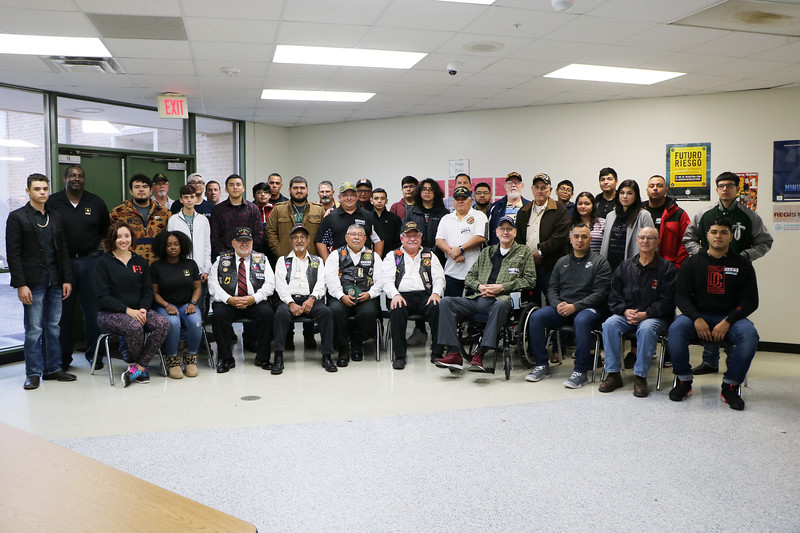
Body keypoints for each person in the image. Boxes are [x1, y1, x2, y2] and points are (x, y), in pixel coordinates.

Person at [682, 171, 773, 375]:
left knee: (730, 312)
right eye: (721, 185)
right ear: (716, 189)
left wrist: (744, 257)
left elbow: (765, 241)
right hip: (706, 271)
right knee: (709, 307)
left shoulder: (749, 216)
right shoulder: (704, 214)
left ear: (738, 189)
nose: (725, 189)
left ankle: (733, 363)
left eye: (730, 185)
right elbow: (688, 238)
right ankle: (709, 361)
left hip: (735, 272)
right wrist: (703, 257)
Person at [668, 217, 759, 410]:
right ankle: (683, 381)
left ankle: (731, 386)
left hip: (731, 319)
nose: (718, 236)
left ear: (731, 236)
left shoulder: (743, 264)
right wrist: (696, 318)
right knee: (676, 329)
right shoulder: (691, 263)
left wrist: (728, 320)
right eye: (714, 232)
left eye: (724, 232)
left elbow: (751, 301)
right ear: (706, 235)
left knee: (749, 335)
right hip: (697, 317)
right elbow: (681, 297)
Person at [434, 216, 536, 371]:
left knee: (501, 304)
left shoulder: (524, 252)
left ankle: (480, 354)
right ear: (496, 232)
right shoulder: (487, 252)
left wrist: (502, 287)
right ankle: (454, 353)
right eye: (502, 229)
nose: (505, 232)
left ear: (515, 232)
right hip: (478, 298)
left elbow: (530, 280)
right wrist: (480, 286)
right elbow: (470, 277)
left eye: (509, 229)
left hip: (502, 300)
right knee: (446, 302)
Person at [7, 173, 74, 390]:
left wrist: (66, 279)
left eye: (45, 188)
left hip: (55, 280)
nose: (42, 192)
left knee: (53, 327)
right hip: (32, 282)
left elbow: (63, 250)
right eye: (37, 189)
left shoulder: (55, 216)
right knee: (34, 329)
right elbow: (13, 254)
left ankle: (53, 368)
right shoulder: (17, 217)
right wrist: (20, 284)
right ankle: (33, 372)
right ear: (28, 191)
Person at [525, 223, 611, 388]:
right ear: (570, 240)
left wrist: (575, 306)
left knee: (582, 320)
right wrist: (557, 305)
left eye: (584, 237)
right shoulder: (561, 262)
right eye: (576, 236)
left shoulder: (600, 262)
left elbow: (600, 294)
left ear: (590, 239)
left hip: (588, 310)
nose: (580, 240)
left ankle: (580, 371)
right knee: (536, 317)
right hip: (563, 308)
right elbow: (552, 288)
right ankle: (541, 365)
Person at [599, 226, 676, 397]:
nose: (645, 241)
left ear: (657, 242)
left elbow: (668, 301)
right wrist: (625, 311)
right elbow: (613, 295)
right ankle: (613, 374)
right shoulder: (625, 266)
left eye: (650, 238)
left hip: (654, 317)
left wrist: (646, 314)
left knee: (646, 328)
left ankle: (640, 376)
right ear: (637, 241)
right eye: (642, 238)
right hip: (627, 314)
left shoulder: (667, 268)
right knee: (609, 324)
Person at [46, 165, 110, 371]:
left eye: (81, 176)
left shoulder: (96, 202)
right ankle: (63, 359)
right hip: (62, 264)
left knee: (93, 313)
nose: (77, 179)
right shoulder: (53, 202)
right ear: (65, 178)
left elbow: (104, 234)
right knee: (62, 314)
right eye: (73, 175)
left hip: (91, 262)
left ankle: (95, 355)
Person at [95, 221, 169, 388]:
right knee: (135, 327)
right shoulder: (103, 262)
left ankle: (138, 368)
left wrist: (143, 308)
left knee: (162, 323)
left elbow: (147, 291)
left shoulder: (140, 261)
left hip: (138, 310)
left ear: (132, 239)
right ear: (112, 239)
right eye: (119, 236)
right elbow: (102, 296)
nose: (123, 240)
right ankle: (140, 369)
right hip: (109, 314)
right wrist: (128, 310)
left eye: (127, 236)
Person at [265, 176, 325, 348]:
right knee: (288, 295)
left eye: (302, 188)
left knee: (308, 291)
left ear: (307, 190)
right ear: (290, 190)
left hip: (311, 261)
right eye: (295, 188)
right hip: (286, 260)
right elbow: (270, 232)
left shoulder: (318, 210)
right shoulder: (279, 209)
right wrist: (279, 250)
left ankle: (309, 335)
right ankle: (288, 337)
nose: (299, 191)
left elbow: (322, 235)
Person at [208, 227, 275, 373]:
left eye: (247, 241)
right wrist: (229, 299)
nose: (244, 244)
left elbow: (270, 284)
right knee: (218, 315)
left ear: (252, 243)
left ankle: (263, 358)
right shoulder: (221, 259)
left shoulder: (262, 258)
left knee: (267, 314)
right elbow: (212, 284)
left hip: (254, 301)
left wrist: (254, 298)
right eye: (240, 241)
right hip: (230, 301)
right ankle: (227, 359)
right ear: (233, 243)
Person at [273, 225, 335, 373]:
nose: (299, 241)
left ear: (308, 241)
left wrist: (312, 299)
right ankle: (278, 356)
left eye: (302, 237)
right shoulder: (283, 261)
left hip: (311, 299)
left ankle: (327, 356)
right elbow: (280, 285)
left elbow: (321, 283)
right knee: (280, 314)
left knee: (326, 313)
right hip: (289, 300)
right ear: (291, 241)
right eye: (295, 237)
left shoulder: (317, 260)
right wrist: (291, 302)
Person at [383, 221, 445, 370]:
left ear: (420, 237)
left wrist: (436, 293)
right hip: (401, 295)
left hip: (425, 296)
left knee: (438, 307)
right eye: (408, 236)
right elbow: (386, 280)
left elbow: (439, 278)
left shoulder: (430, 255)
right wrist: (395, 295)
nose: (412, 239)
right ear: (401, 238)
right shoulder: (393, 256)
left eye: (415, 235)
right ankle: (400, 356)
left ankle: (437, 352)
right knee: (397, 310)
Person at [324, 224, 383, 367]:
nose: (356, 237)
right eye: (353, 234)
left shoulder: (373, 256)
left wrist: (370, 294)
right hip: (341, 296)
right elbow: (330, 279)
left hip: (366, 296)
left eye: (360, 235)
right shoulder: (335, 255)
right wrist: (341, 296)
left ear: (365, 238)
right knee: (335, 311)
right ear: (346, 237)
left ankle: (357, 343)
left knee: (369, 312)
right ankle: (343, 348)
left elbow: (381, 280)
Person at [150, 231, 203, 379]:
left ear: (182, 245)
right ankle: (172, 360)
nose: (173, 248)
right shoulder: (156, 266)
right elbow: (154, 293)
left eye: (176, 244)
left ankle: (191, 358)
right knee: (172, 322)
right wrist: (166, 305)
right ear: (162, 247)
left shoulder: (190, 264)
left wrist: (193, 303)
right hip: (164, 305)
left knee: (196, 321)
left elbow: (198, 288)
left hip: (186, 304)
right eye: (168, 245)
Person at [403, 178, 449, 345]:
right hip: (416, 257)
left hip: (438, 258)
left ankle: (440, 336)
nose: (427, 192)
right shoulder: (412, 211)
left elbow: (446, 237)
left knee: (435, 293)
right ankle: (420, 330)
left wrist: (433, 254)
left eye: (431, 189)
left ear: (436, 192)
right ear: (419, 192)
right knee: (418, 290)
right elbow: (406, 235)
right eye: (424, 189)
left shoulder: (443, 213)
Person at [514, 173, 570, 306]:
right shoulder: (523, 210)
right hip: (528, 267)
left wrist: (540, 252)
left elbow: (560, 236)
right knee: (530, 305)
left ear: (550, 190)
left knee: (554, 302)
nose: (540, 191)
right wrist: (526, 256)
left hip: (551, 266)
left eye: (544, 187)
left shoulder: (559, 209)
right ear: (532, 190)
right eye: (537, 187)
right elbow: (518, 237)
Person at [435, 186, 488, 297]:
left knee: (472, 309)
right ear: (453, 201)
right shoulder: (446, 218)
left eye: (463, 198)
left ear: (470, 200)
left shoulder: (479, 216)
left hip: (474, 274)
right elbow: (439, 241)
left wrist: (460, 249)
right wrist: (452, 253)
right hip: (451, 273)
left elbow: (480, 237)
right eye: (457, 199)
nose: (460, 201)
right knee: (452, 308)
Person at [109, 174, 171, 264]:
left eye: (145, 187)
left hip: (158, 266)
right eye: (137, 187)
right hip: (128, 266)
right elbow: (107, 239)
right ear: (131, 191)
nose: (141, 189)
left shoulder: (165, 213)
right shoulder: (118, 213)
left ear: (150, 191)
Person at [314, 182, 382, 261]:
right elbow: (321, 242)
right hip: (339, 266)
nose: (349, 198)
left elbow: (379, 240)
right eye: (345, 195)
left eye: (352, 195)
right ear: (340, 197)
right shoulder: (330, 217)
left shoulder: (368, 216)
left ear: (356, 197)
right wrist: (328, 263)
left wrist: (375, 261)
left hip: (364, 264)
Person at [599, 179, 654, 272]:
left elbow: (652, 244)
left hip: (634, 267)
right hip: (610, 265)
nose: (625, 196)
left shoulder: (644, 215)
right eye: (622, 192)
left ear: (636, 196)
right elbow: (605, 243)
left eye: (629, 193)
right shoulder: (610, 215)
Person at [210, 174, 265, 258]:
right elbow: (215, 237)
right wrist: (226, 254)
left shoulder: (253, 209)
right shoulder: (218, 210)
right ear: (226, 189)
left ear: (243, 188)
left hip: (248, 256)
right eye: (231, 185)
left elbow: (258, 235)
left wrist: (246, 251)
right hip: (224, 257)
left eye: (238, 185)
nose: (235, 187)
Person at [642, 175, 689, 269]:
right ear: (647, 190)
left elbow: (685, 242)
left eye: (659, 186)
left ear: (666, 190)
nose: (655, 189)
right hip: (642, 266)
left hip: (669, 267)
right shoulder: (639, 212)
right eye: (651, 186)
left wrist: (676, 267)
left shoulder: (678, 214)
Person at [487, 172, 530, 244]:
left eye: (516, 182)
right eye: (510, 182)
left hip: (523, 250)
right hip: (500, 251)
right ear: (505, 186)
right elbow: (489, 232)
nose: (513, 185)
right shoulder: (495, 207)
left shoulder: (529, 206)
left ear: (522, 186)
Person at [370, 187, 402, 258]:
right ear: (371, 201)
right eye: (376, 198)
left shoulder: (394, 218)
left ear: (386, 201)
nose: (379, 201)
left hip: (391, 257)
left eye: (382, 198)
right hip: (370, 257)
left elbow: (399, 241)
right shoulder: (367, 218)